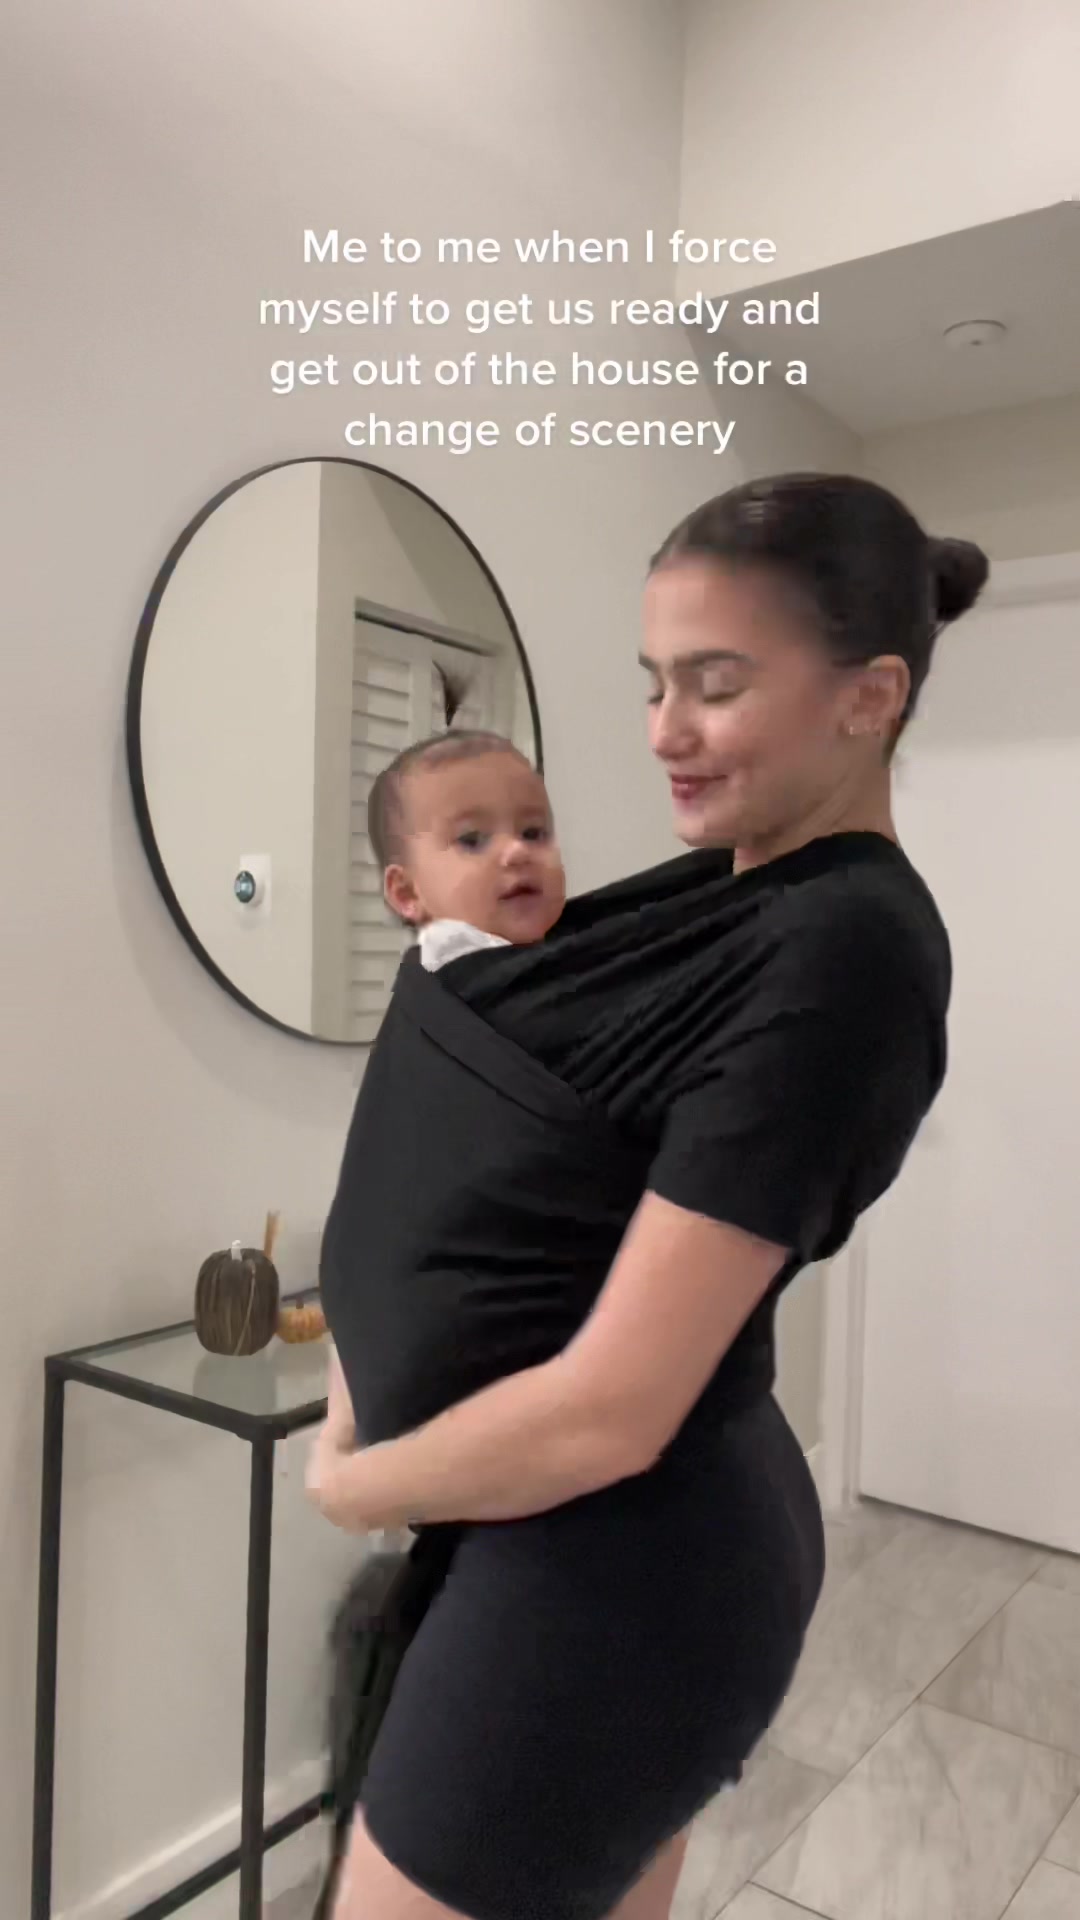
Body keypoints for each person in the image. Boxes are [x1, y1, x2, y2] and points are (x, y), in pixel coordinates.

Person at [311, 472, 988, 1920]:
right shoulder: (736, 890)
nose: (664, 732)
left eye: (716, 685)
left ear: (868, 698)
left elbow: (612, 1409)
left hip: (623, 1561)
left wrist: (352, 1481)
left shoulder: (848, 951)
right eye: (653, 682)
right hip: (588, 1529)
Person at [365, 727, 567, 968]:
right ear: (407, 893)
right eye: (472, 840)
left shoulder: (590, 940)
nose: (518, 851)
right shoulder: (453, 977)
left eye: (532, 833)